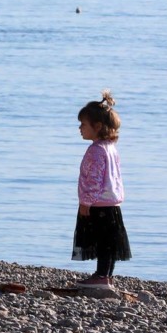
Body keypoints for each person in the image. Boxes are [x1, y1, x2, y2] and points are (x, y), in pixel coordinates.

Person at [71, 90, 131, 287]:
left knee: (103, 242)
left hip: (98, 203)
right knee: (110, 242)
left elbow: (94, 180)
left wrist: (86, 202)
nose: (80, 128)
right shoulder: (110, 147)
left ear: (97, 127)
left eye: (83, 124)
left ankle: (101, 276)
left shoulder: (96, 150)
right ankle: (106, 276)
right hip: (112, 201)